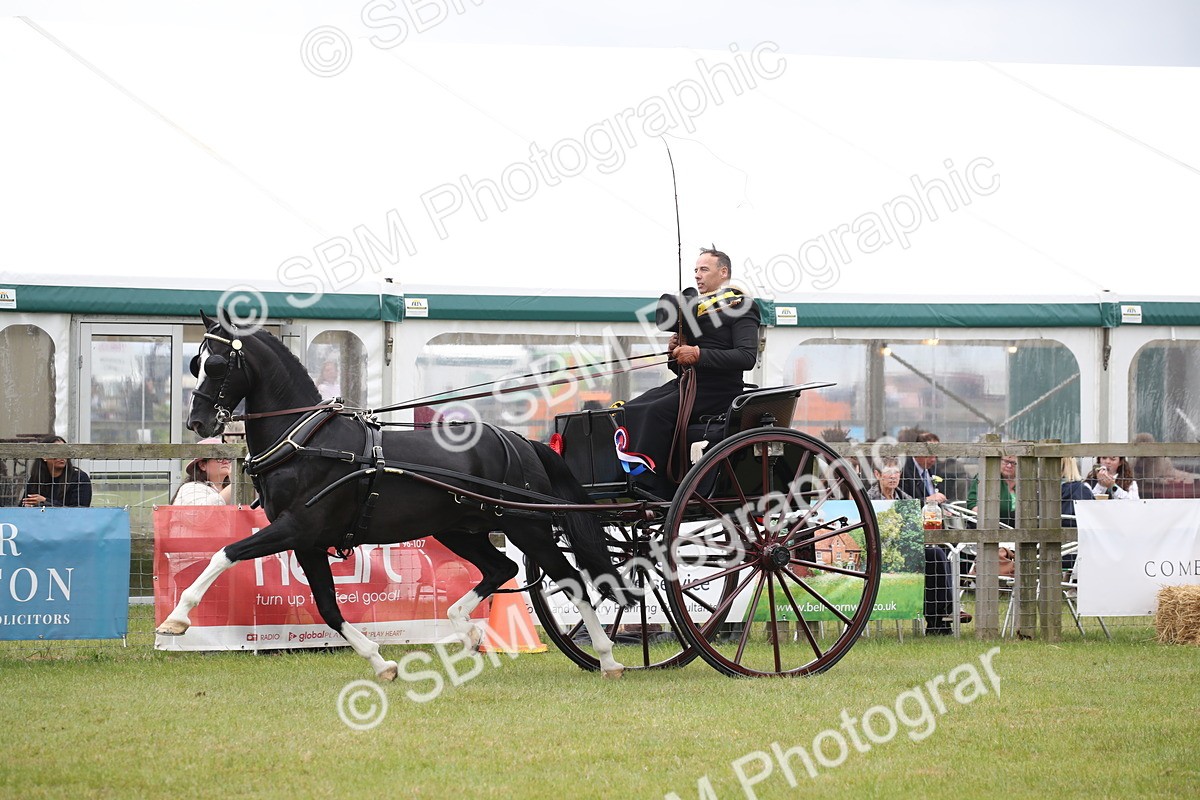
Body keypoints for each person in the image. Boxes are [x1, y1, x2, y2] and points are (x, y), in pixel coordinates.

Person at [619, 245, 762, 496]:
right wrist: (675, 352)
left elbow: (746, 356)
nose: (697, 275)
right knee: (631, 408)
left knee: (655, 411)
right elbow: (679, 368)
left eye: (704, 269)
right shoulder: (695, 310)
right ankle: (627, 477)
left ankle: (654, 485)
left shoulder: (742, 306)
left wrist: (698, 354)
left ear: (723, 272)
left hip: (718, 392)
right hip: (688, 386)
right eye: (695, 270)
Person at [21, 436, 92, 507]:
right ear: (44, 456)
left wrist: (45, 502)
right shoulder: (36, 479)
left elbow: (80, 511)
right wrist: (28, 505)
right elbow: (22, 505)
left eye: (65, 452)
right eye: (56, 452)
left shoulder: (80, 478)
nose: (62, 456)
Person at [172, 436, 233, 505]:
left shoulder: (230, 487)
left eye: (228, 457)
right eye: (219, 458)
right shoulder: (191, 488)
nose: (226, 461)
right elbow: (204, 511)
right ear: (202, 465)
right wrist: (234, 484)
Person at [896, 428, 947, 505]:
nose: (933, 459)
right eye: (929, 455)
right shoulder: (903, 471)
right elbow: (902, 503)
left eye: (936, 455)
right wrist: (927, 500)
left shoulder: (935, 469)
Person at [966, 455, 1018, 528]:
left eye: (1013, 463)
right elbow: (972, 504)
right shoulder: (985, 477)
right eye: (1006, 461)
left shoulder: (1024, 481)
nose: (1009, 466)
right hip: (989, 526)